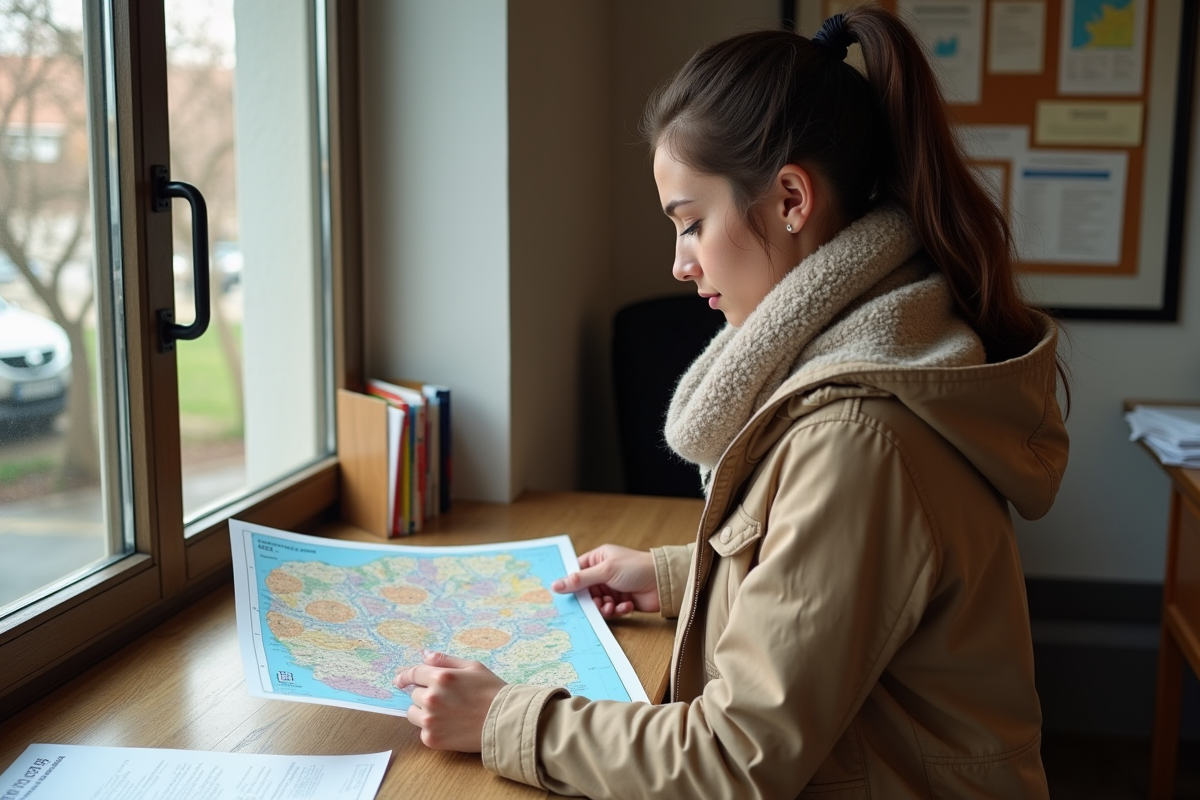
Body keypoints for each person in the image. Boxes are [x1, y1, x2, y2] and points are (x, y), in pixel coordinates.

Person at [393, 7, 1069, 799]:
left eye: (690, 224)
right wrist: (680, 576)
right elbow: (837, 579)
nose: (680, 264)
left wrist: (505, 717)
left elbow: (734, 758)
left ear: (789, 199)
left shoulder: (857, 436)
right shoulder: (874, 362)